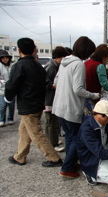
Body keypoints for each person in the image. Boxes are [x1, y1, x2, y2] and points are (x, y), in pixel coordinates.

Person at [5, 37, 62, 167]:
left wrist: (7, 98)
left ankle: (54, 158)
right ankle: (20, 156)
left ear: (19, 50)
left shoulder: (19, 65)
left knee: (36, 134)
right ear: (34, 49)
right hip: (38, 104)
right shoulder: (38, 65)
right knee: (24, 131)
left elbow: (11, 85)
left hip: (27, 105)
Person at [52, 36, 100, 178]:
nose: (89, 55)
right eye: (89, 52)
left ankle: (71, 162)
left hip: (59, 106)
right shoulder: (78, 64)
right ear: (85, 51)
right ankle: (66, 168)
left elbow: (56, 81)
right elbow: (78, 89)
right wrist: (93, 95)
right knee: (75, 138)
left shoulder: (64, 62)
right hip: (70, 107)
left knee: (69, 137)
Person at [44, 46, 69, 148]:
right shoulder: (50, 66)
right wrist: (59, 86)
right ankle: (52, 144)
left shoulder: (55, 66)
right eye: (63, 58)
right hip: (49, 99)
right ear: (57, 57)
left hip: (53, 98)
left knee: (53, 122)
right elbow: (46, 83)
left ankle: (53, 141)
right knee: (51, 123)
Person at [0, 50, 15, 127]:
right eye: (3, 58)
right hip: (2, 89)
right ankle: (2, 120)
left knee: (11, 106)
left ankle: (10, 118)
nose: (5, 59)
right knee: (2, 106)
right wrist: (1, 80)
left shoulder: (12, 66)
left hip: (11, 89)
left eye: (6, 58)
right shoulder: (0, 66)